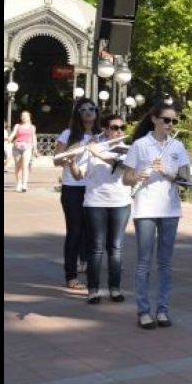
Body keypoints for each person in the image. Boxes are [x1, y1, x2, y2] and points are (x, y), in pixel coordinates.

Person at [122, 104, 191, 330]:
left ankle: (162, 309)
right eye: (166, 120)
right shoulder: (140, 145)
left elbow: (186, 178)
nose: (170, 125)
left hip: (170, 209)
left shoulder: (178, 145)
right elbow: (125, 178)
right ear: (154, 119)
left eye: (173, 121)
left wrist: (168, 172)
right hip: (145, 208)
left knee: (166, 262)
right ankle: (143, 310)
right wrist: (138, 175)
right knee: (144, 262)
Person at [75, 114, 131, 304]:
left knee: (115, 248)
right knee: (96, 248)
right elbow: (78, 176)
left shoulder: (126, 149)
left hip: (120, 202)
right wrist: (71, 161)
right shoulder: (92, 146)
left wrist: (96, 152)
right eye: (115, 127)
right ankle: (93, 290)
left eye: (122, 127)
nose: (120, 131)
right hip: (95, 202)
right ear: (106, 129)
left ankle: (115, 289)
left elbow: (120, 167)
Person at [54, 98, 102, 289]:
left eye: (92, 109)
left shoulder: (101, 135)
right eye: (84, 109)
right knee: (75, 231)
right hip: (72, 187)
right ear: (78, 113)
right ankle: (71, 276)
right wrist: (72, 151)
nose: (89, 112)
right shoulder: (68, 134)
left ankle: (92, 269)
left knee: (93, 231)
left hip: (94, 186)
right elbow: (56, 161)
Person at [8, 109, 37, 192]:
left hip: (27, 147)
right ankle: (18, 184)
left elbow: (33, 138)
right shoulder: (17, 126)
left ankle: (24, 185)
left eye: (25, 116)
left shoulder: (32, 127)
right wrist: (9, 138)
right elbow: (13, 133)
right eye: (22, 116)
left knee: (25, 166)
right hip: (17, 147)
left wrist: (35, 149)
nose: (23, 117)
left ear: (29, 117)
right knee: (18, 167)